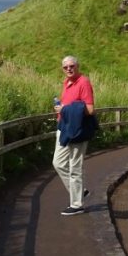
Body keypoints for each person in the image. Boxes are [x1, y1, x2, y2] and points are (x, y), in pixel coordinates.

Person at [53, 55, 95, 216]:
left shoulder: (83, 82)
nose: (69, 69)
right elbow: (68, 105)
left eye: (71, 66)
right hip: (64, 128)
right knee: (58, 163)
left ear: (77, 66)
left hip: (78, 129)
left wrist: (65, 109)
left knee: (75, 167)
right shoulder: (66, 83)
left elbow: (90, 109)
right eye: (65, 67)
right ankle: (79, 191)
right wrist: (61, 110)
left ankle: (77, 205)